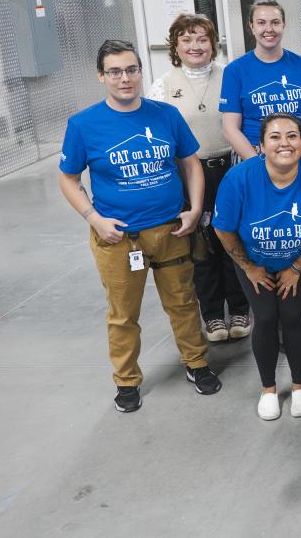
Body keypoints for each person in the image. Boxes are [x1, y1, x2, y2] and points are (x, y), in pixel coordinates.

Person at [59, 39, 222, 413]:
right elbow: (68, 178)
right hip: (118, 239)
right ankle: (127, 380)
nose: (125, 78)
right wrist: (94, 218)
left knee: (183, 303)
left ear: (140, 72)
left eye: (131, 69)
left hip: (170, 232)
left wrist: (195, 209)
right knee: (122, 314)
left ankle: (196, 364)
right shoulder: (84, 125)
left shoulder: (166, 116)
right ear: (101, 76)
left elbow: (191, 163)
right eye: (115, 71)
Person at [213, 113, 301, 419]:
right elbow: (223, 229)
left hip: (295, 261)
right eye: (276, 137)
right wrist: (249, 267)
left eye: (292, 136)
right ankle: (268, 389)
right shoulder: (239, 179)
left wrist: (297, 266)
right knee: (266, 317)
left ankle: (299, 387)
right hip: (252, 260)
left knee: (293, 315)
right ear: (261, 145)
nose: (285, 143)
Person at [149, 13, 251, 343]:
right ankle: (212, 314)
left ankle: (239, 308)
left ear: (213, 43)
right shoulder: (163, 86)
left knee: (233, 240)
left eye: (202, 39)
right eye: (187, 40)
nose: (195, 46)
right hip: (190, 175)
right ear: (175, 46)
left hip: (231, 169)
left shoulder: (231, 76)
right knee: (201, 245)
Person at [220, 0, 301, 160]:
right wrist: (257, 163)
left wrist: (300, 151)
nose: (269, 29)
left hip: (297, 150)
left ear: (283, 25)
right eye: (261, 23)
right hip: (252, 153)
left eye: (275, 22)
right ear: (251, 27)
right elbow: (230, 129)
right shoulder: (235, 70)